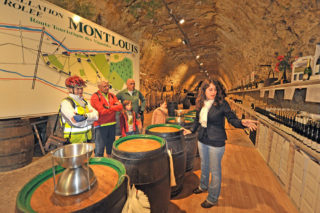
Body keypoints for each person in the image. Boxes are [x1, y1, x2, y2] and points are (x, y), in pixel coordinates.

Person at [184, 79, 258, 208]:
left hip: (216, 142)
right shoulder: (200, 103)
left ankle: (212, 198)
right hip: (202, 139)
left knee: (215, 170)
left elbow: (231, 118)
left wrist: (241, 123)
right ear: (204, 91)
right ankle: (203, 185)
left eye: (215, 89)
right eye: (210, 89)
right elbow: (197, 120)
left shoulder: (222, 104)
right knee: (204, 165)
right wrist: (190, 130)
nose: (213, 92)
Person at [60, 75, 98, 143]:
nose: (80, 91)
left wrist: (85, 117)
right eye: (77, 89)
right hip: (73, 141)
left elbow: (97, 115)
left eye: (82, 88)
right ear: (69, 89)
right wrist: (90, 119)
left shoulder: (84, 101)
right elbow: (76, 123)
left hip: (87, 139)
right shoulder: (66, 103)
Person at [90, 81, 123, 157]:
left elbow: (120, 107)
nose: (107, 88)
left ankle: (109, 163)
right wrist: (114, 108)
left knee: (110, 147)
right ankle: (98, 165)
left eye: (108, 86)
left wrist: (109, 107)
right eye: (104, 86)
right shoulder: (95, 97)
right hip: (100, 125)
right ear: (99, 87)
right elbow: (101, 111)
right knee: (99, 148)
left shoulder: (112, 95)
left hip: (112, 124)